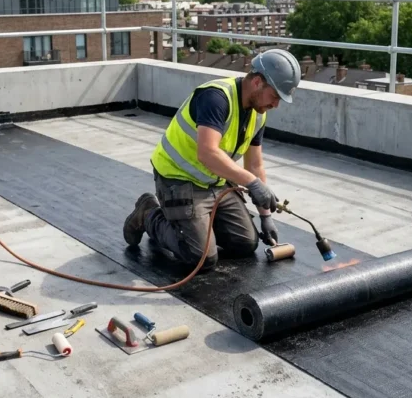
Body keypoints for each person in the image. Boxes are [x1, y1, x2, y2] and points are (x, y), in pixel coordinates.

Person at [122, 48, 302, 270]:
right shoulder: (216, 97)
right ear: (257, 82)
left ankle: (199, 224)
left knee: (245, 243)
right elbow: (206, 152)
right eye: (275, 96)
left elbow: (255, 164)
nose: (276, 105)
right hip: (179, 179)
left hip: (214, 182)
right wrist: (251, 182)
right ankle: (149, 212)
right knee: (201, 258)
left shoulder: (258, 113)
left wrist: (265, 215)